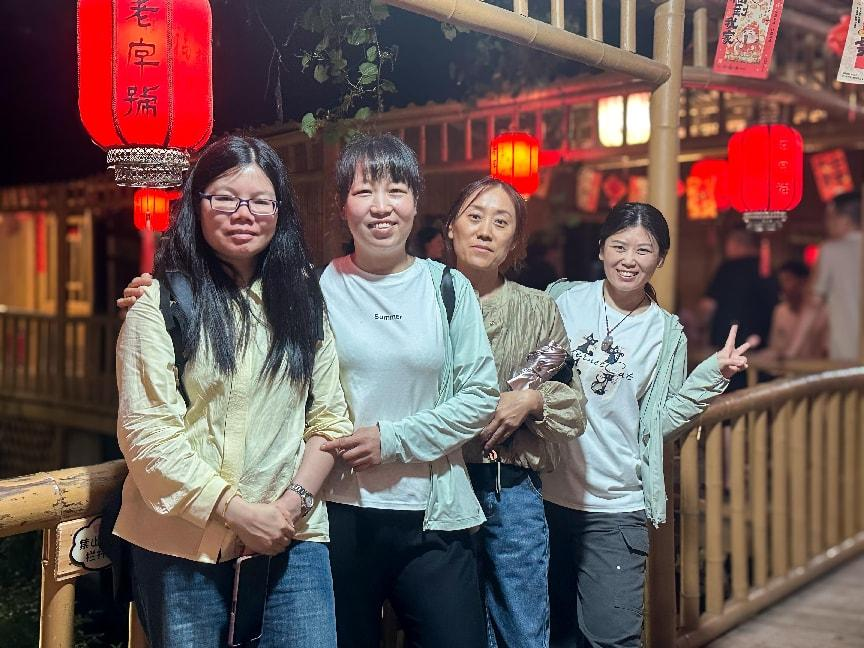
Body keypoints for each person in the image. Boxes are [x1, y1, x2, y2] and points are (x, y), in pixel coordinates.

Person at [114, 135, 353, 647]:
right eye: (224, 198)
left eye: (261, 201)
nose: (244, 213)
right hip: (182, 545)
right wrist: (240, 513)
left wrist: (288, 509)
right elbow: (148, 437)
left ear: (279, 212)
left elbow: (329, 419)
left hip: (292, 541)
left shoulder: (304, 301)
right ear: (196, 204)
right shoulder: (157, 304)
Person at [315, 134, 499, 648]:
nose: (381, 207)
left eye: (396, 191)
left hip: (433, 514)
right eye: (364, 192)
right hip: (338, 512)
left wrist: (392, 440)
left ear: (416, 203)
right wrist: (156, 295)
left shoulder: (447, 288)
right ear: (343, 207)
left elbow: (480, 396)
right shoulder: (316, 289)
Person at [544, 202, 751, 648]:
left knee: (612, 638)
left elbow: (661, 421)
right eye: (619, 246)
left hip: (615, 505)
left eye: (644, 250)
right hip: (543, 498)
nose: (629, 260)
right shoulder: (562, 300)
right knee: (551, 634)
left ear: (660, 259)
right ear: (601, 249)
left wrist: (712, 375)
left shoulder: (664, 332)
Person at [444, 176, 587, 648]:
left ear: (514, 241)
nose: (485, 231)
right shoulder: (424, 299)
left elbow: (574, 406)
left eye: (501, 222)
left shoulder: (538, 308)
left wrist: (532, 399)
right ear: (451, 228)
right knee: (453, 627)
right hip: (437, 484)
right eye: (475, 217)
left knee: (522, 626)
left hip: (512, 486)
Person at [699, 226, 777, 389]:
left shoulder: (728, 269)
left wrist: (701, 331)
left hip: (728, 349)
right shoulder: (767, 270)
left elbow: (707, 307)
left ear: (736, 243)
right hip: (762, 351)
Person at [805, 191, 862, 361]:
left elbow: (813, 305)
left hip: (847, 358)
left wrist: (791, 351)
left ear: (845, 219)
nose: (827, 224)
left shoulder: (831, 251)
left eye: (830, 217)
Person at [752, 260, 827, 362]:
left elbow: (825, 351)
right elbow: (775, 348)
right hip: (785, 369)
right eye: (781, 281)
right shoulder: (780, 311)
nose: (783, 286)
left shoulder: (820, 313)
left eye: (788, 280)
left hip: (813, 369)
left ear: (803, 282)